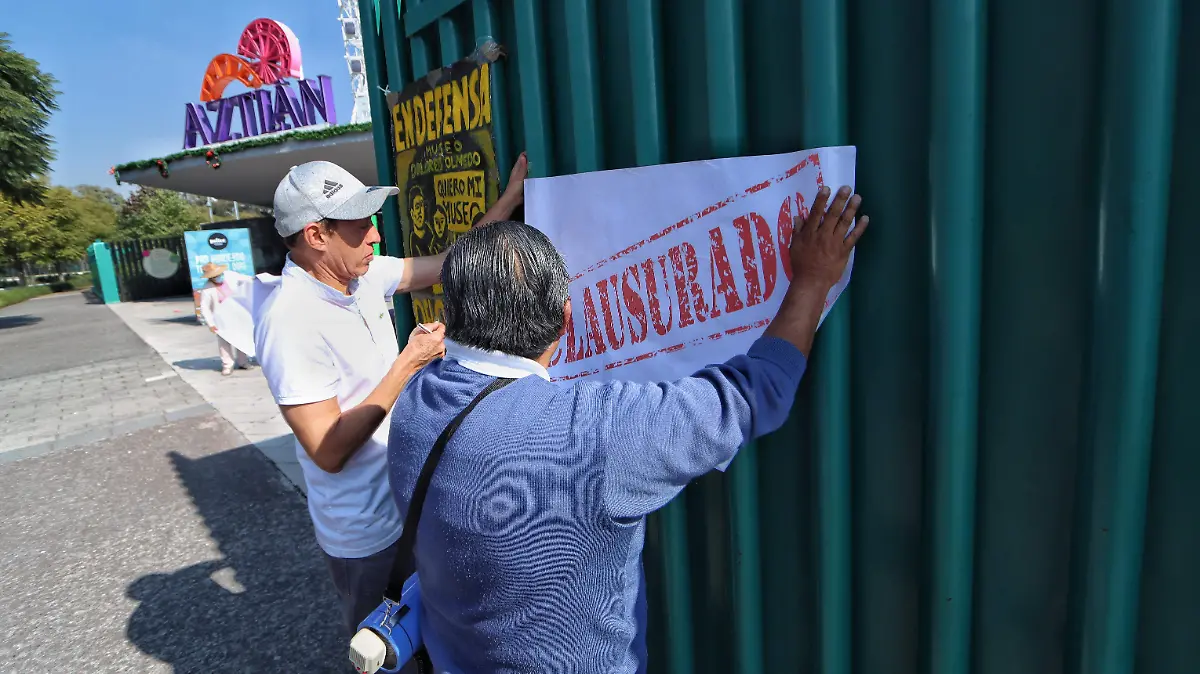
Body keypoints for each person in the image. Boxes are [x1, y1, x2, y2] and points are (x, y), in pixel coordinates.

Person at [387, 186, 868, 672]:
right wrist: (810, 281)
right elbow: (757, 392)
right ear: (565, 319)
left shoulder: (415, 398)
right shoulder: (592, 433)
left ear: (450, 316)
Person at [254, 153, 529, 635]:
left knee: (429, 637)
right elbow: (328, 449)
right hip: (367, 536)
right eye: (361, 225)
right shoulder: (288, 321)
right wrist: (410, 362)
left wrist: (509, 200)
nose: (376, 235)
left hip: (408, 503)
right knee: (386, 653)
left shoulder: (361, 276)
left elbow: (448, 265)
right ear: (317, 236)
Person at [197, 262, 250, 375]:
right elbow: (204, 307)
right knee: (224, 342)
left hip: (236, 314)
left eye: (218, 274)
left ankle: (243, 362)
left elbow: (246, 279)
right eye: (215, 276)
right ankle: (227, 365)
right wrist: (211, 324)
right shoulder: (207, 289)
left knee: (240, 339)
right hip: (220, 318)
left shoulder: (230, 276)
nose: (218, 277)